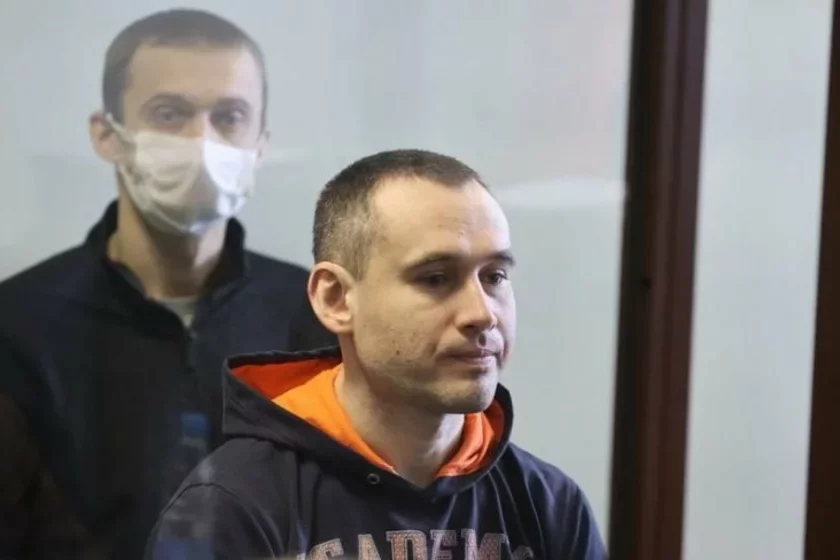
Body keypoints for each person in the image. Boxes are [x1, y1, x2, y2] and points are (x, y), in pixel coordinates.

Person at [146, 149, 608, 559]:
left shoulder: (548, 504)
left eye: (495, 277)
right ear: (336, 299)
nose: (482, 314)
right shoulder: (238, 505)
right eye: (436, 278)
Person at [0, 9, 334, 558]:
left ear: (260, 144)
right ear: (106, 134)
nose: (201, 141)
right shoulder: (18, 327)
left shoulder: (317, 321)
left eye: (229, 117)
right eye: (169, 114)